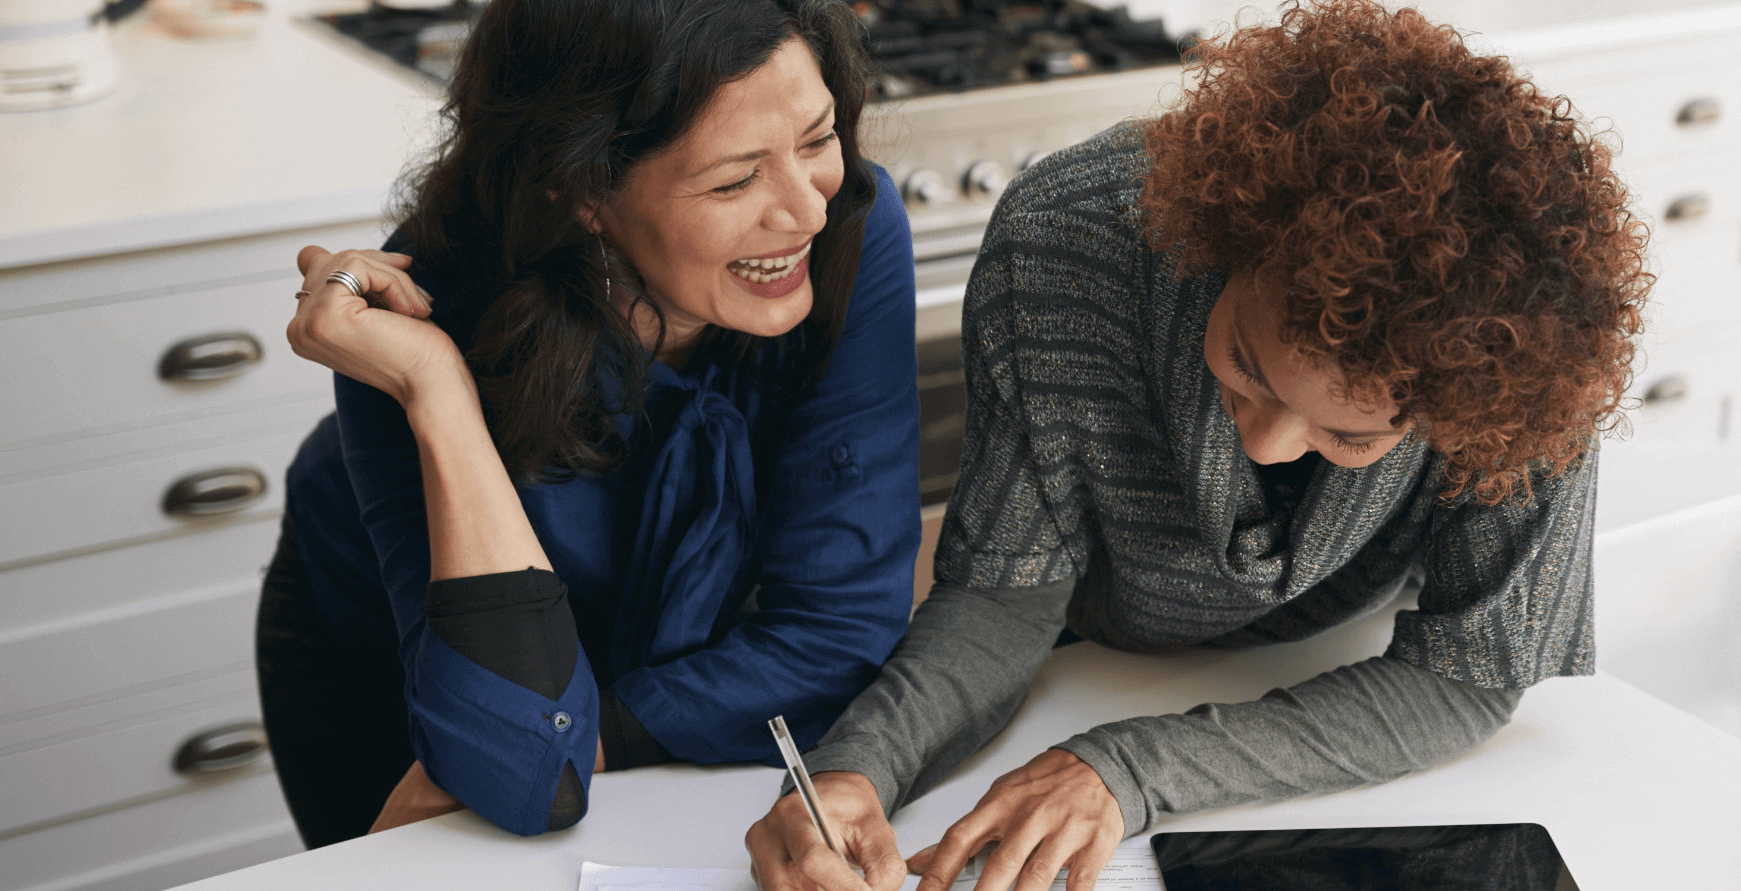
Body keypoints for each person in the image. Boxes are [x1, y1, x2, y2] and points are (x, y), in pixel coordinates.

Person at [744, 2, 1650, 889]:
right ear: (1231, 238)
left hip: (1339, 668)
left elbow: (1468, 672)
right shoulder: (1066, 242)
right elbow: (1001, 599)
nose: (1268, 440)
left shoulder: (1514, 353)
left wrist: (1132, 767)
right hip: (1093, 655)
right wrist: (855, 766)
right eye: (1246, 366)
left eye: (1349, 433)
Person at [256, 0, 921, 846]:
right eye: (734, 179)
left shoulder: (849, 229)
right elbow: (518, 767)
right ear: (578, 191)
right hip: (404, 657)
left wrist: (579, 743)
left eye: (817, 139)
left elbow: (838, 633)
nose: (808, 210)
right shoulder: (429, 314)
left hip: (655, 695)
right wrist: (438, 392)